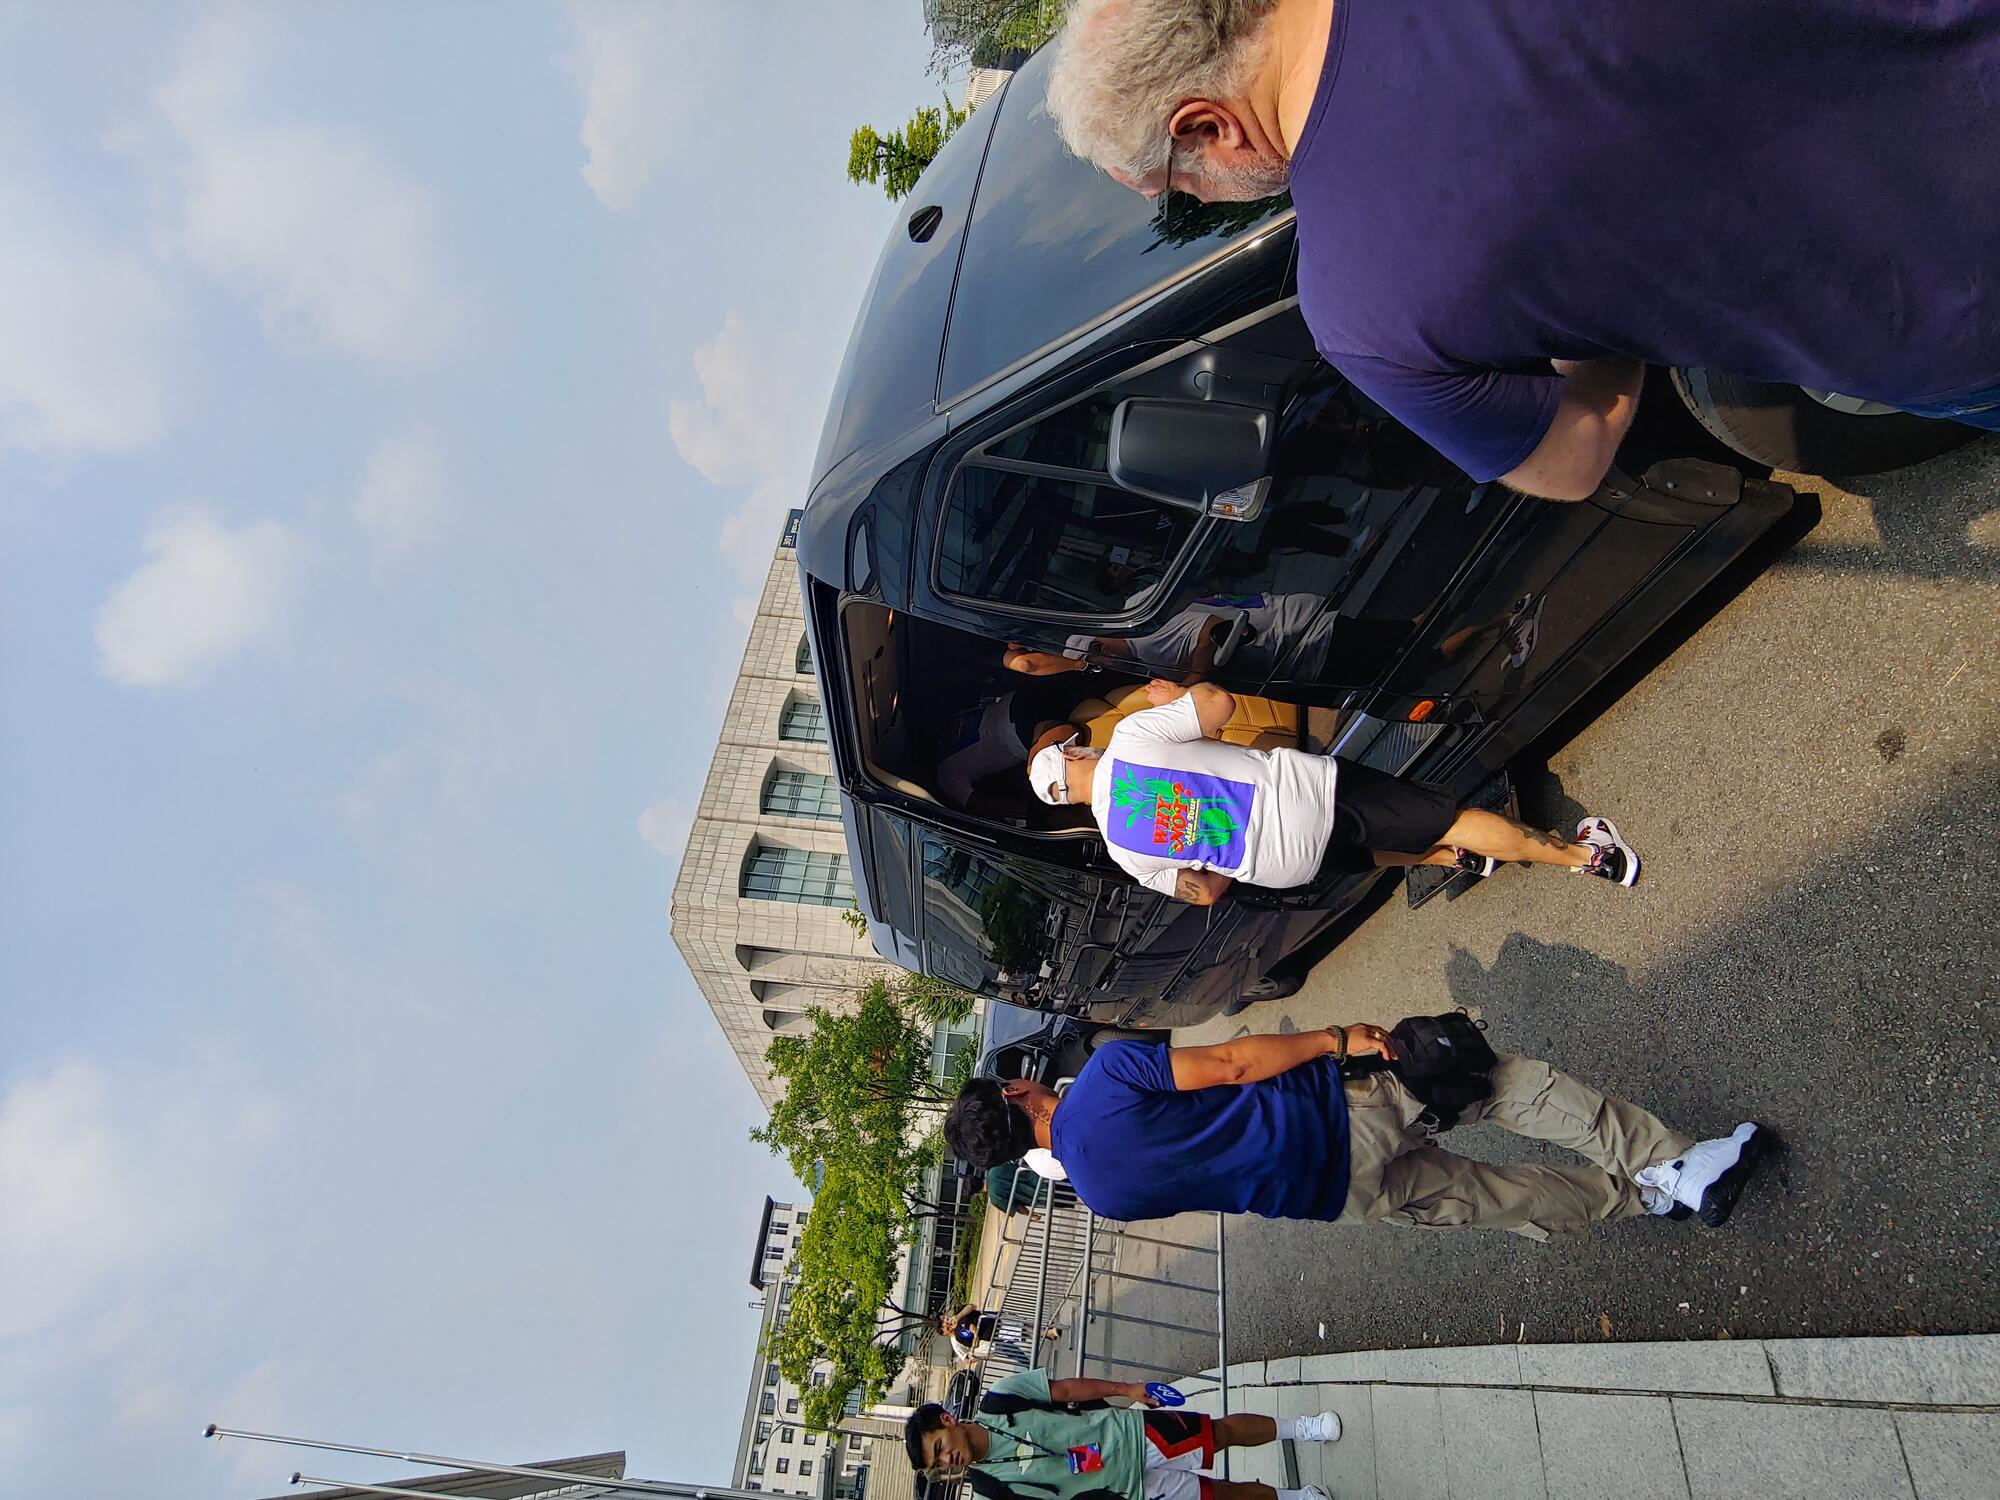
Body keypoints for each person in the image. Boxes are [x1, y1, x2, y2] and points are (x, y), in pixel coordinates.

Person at [1043, 0, 2000, 498]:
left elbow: (1572, 460)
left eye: (1177, 186)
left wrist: (1586, 319)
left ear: (1205, 125)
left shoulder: (1359, 305)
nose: (1198, 199)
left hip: (1959, 313)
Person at [943, 1026, 1770, 1237]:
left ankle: (1644, 1200)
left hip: (1324, 1195)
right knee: (1497, 1086)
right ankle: (1669, 1162)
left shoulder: (1099, 1195)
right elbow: (1231, 1063)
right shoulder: (1106, 1075)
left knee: (1496, 1197)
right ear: (1017, 1091)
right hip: (1332, 1118)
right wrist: (1331, 1039)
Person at [1028, 677, 1638, 903]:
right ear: (1075, 754)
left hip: (1284, 866)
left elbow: (1204, 891)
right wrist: (1176, 696)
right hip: (1306, 798)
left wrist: (1224, 840)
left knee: (1363, 850)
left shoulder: (1123, 850)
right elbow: (1219, 703)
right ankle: (1590, 857)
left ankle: (1456, 859)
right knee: (1448, 814)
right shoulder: (1131, 738)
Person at [906, 1365, 1342, 1500]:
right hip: (1126, 1492)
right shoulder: (988, 1489)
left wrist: (1126, 1390)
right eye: (938, 1463)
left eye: (939, 1448)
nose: (947, 1460)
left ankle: (1302, 1429)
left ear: (947, 1420)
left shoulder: (1001, 1399)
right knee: (1220, 1496)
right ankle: (1297, 1498)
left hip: (1131, 1435)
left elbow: (1067, 1390)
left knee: (1220, 1433)